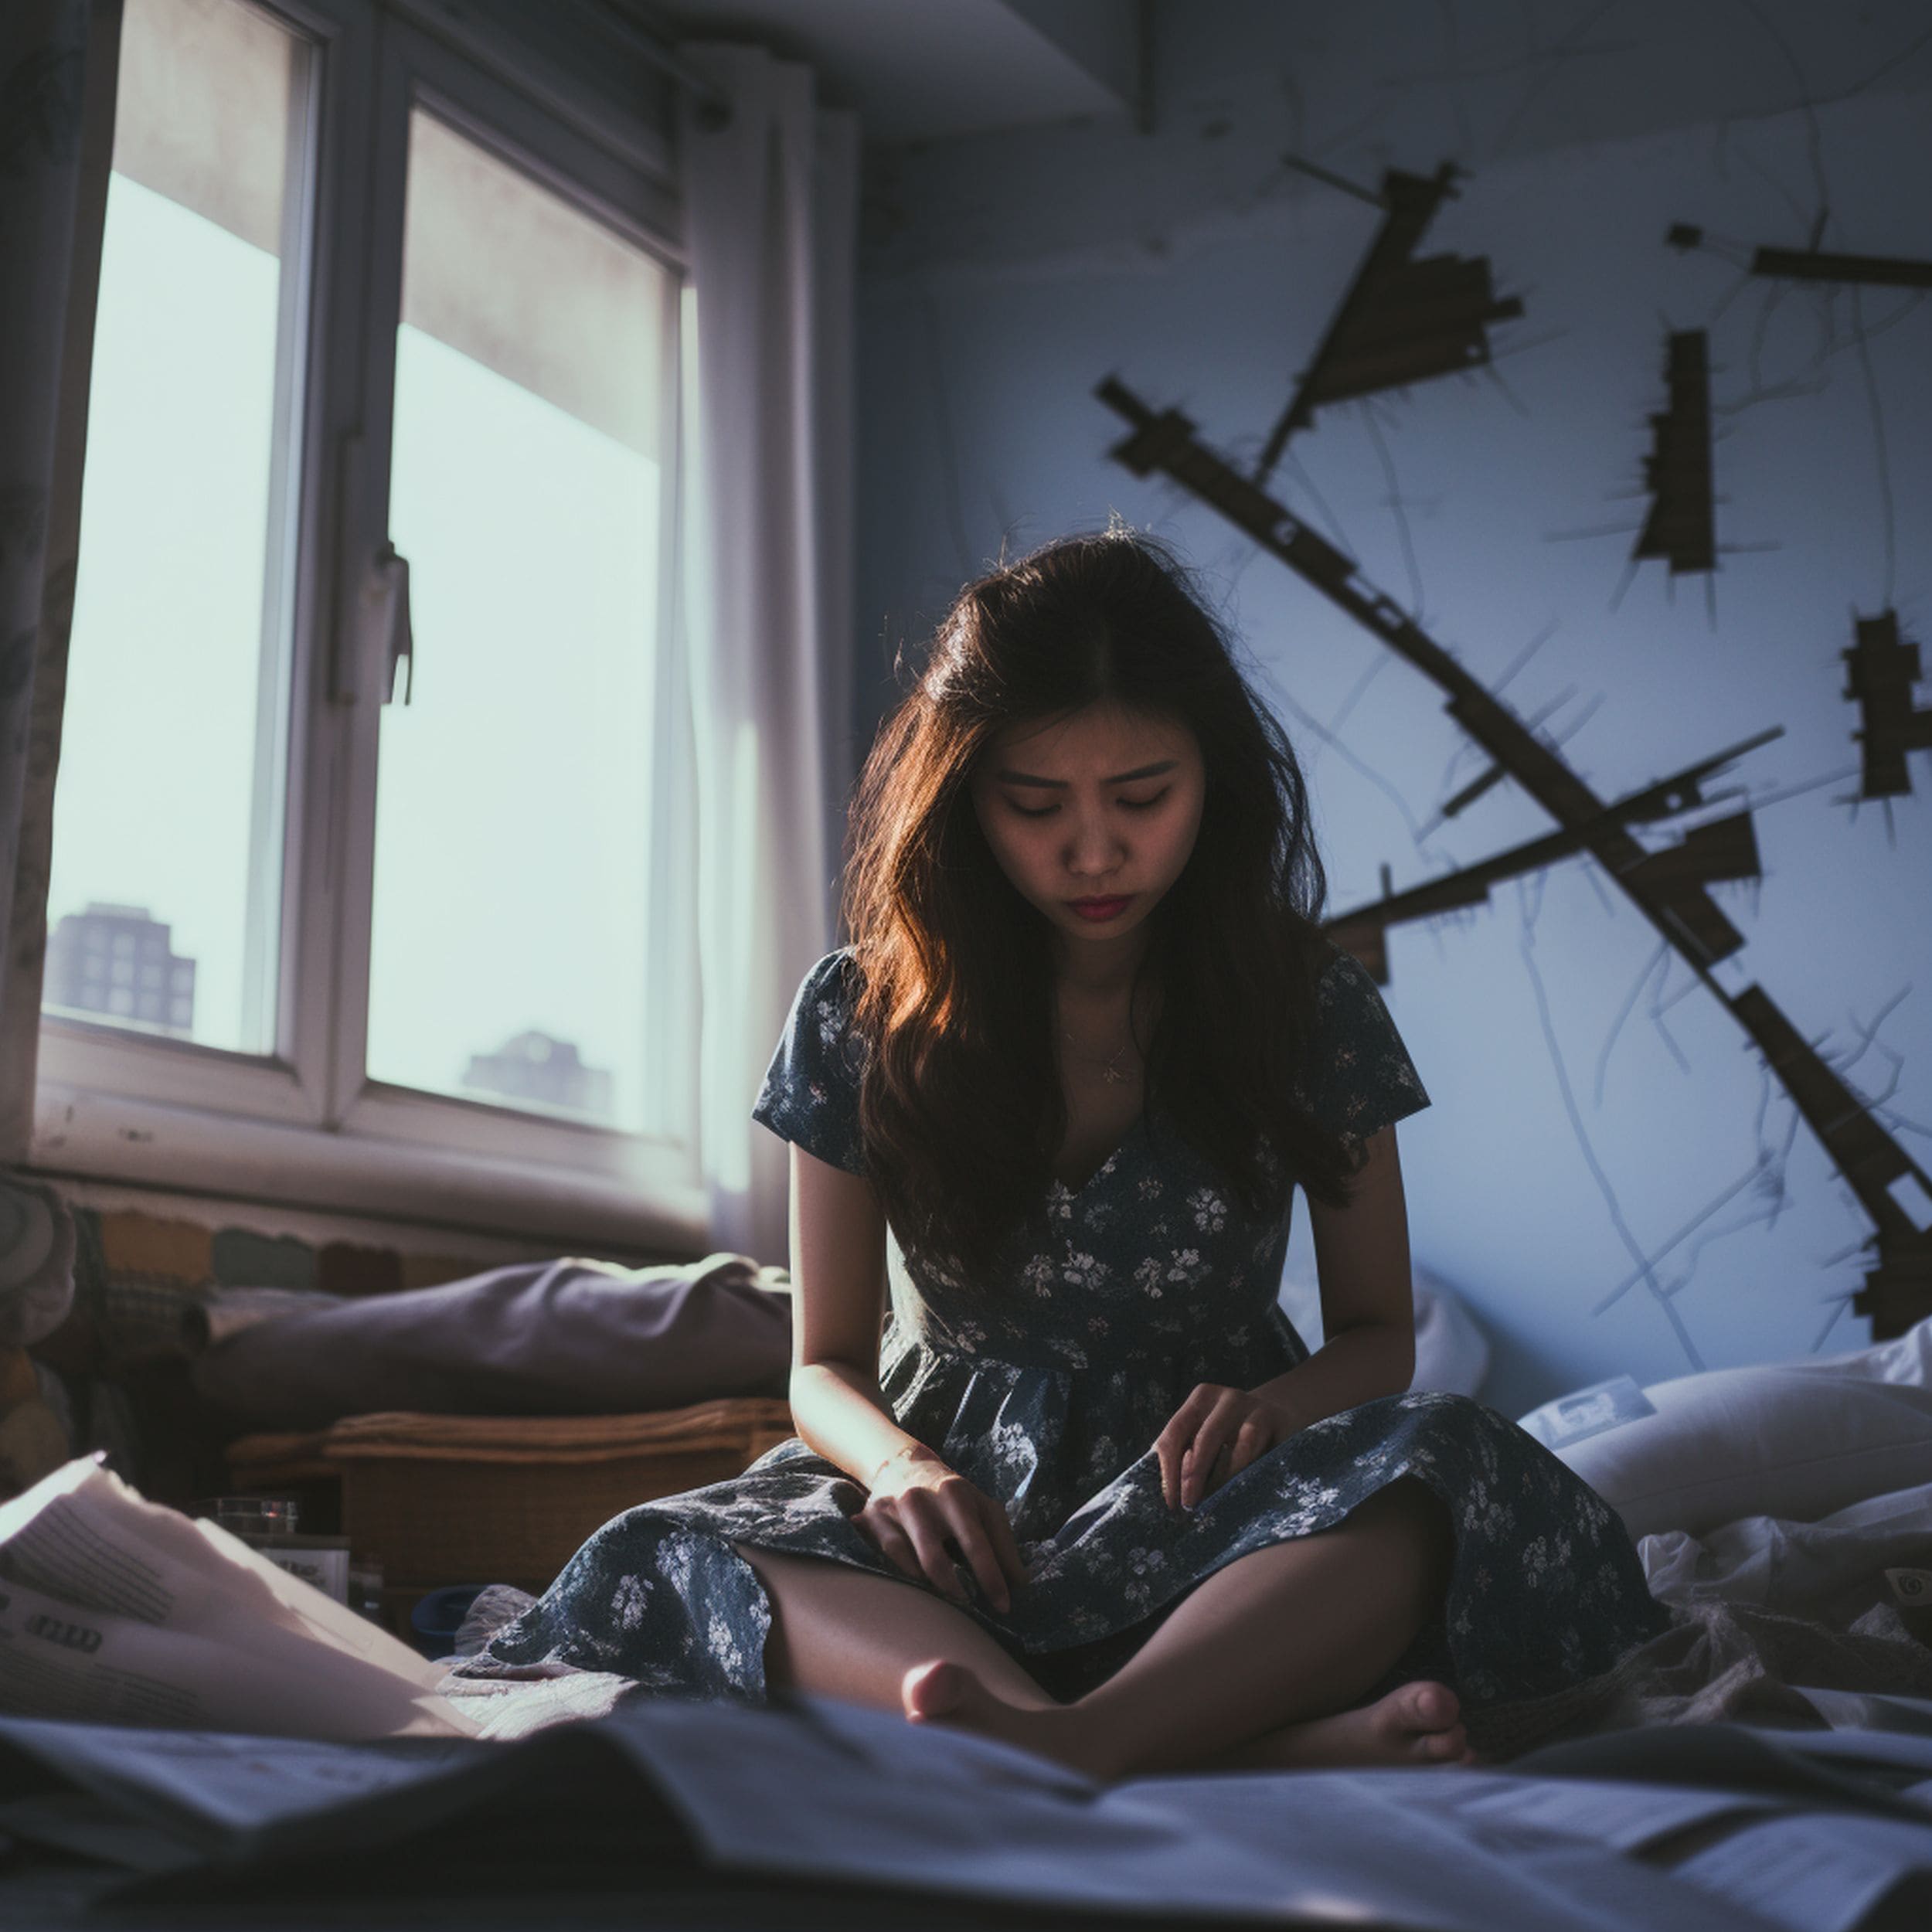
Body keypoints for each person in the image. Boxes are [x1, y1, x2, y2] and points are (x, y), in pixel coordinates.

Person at [452, 526, 1671, 1779]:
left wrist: (1273, 1407)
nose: (1094, 852)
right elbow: (820, 1364)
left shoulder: (1307, 1005)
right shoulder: (856, 1017)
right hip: (955, 1520)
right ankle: (1212, 1743)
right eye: (1036, 806)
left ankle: (1082, 1742)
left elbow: (1378, 1334)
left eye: (1143, 798)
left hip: (1210, 1507)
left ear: (1217, 781)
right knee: (687, 1543)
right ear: (966, 800)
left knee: (1444, 1461)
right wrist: (902, 1468)